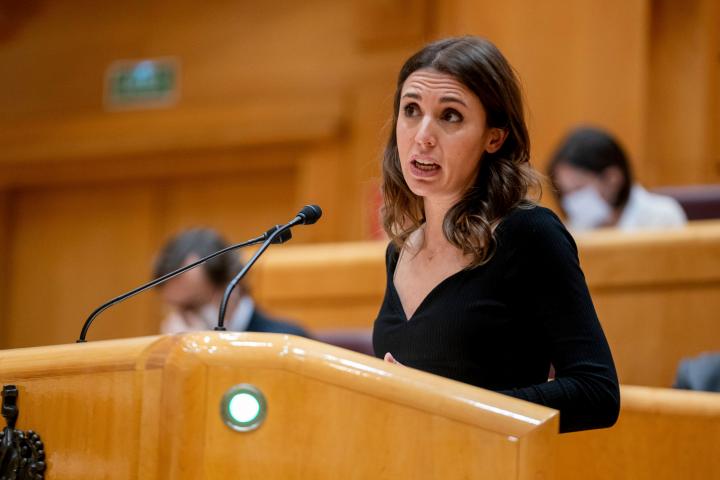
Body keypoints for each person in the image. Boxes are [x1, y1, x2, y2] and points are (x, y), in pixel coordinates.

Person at [372, 36, 619, 433]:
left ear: (494, 137)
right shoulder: (400, 251)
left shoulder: (529, 234)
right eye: (411, 110)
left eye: (450, 116)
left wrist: (453, 406)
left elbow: (597, 394)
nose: (422, 135)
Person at [153, 228, 309, 337]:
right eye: (173, 307)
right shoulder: (171, 352)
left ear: (231, 286)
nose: (177, 321)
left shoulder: (286, 340)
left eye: (191, 307)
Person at [548, 127, 687, 231]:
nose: (571, 200)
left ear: (612, 179)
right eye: (564, 191)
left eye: (578, 188)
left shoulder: (663, 216)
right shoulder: (571, 229)